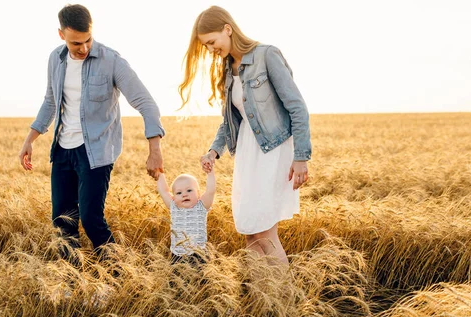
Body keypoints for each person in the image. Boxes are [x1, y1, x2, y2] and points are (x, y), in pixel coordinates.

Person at [18, 4, 165, 261]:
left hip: (96, 152)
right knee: (63, 220)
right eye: (76, 43)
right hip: (63, 150)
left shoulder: (112, 61)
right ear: (61, 35)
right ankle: (72, 282)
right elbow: (50, 102)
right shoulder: (56, 59)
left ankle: (116, 276)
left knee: (90, 218)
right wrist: (30, 139)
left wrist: (155, 150)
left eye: (88, 40)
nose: (84, 48)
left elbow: (146, 103)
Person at [178, 5, 311, 266]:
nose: (210, 50)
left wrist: (301, 157)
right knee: (250, 231)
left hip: (273, 150)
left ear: (227, 29)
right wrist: (213, 151)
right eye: (205, 46)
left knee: (264, 232)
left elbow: (297, 106)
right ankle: (260, 299)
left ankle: (286, 300)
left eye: (211, 42)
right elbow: (231, 120)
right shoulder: (228, 69)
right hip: (247, 154)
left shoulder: (266, 55)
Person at [156, 170, 216, 264]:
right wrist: (159, 172)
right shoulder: (174, 207)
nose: (184, 194)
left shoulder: (201, 206)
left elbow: (210, 191)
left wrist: (210, 172)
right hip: (177, 255)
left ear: (199, 194)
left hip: (199, 254)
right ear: (174, 198)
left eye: (189, 190)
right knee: (176, 277)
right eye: (179, 193)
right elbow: (164, 191)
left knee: (201, 278)